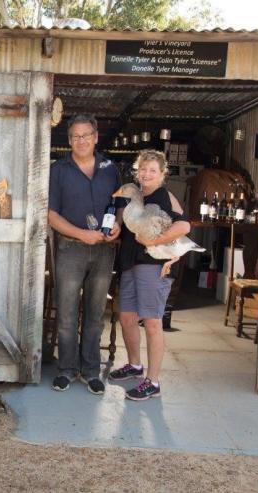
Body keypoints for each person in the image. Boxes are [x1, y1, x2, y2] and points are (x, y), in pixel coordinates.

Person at [48, 114, 122, 394]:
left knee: (95, 314)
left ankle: (91, 370)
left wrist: (118, 224)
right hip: (71, 249)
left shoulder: (110, 168)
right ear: (69, 140)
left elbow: (120, 204)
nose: (81, 140)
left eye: (86, 135)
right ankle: (67, 369)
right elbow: (51, 215)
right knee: (66, 314)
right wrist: (81, 234)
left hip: (103, 251)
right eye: (75, 136)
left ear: (95, 137)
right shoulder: (59, 170)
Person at [109, 149, 190, 401]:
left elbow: (184, 226)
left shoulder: (165, 196)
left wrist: (154, 238)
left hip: (152, 265)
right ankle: (134, 365)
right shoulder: (133, 196)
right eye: (143, 169)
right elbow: (123, 222)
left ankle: (153, 382)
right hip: (129, 263)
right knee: (127, 317)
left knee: (152, 321)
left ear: (162, 174)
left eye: (152, 170)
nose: (146, 174)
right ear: (137, 171)